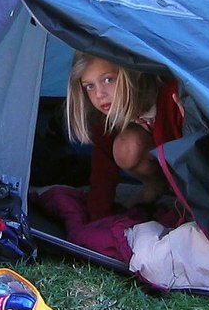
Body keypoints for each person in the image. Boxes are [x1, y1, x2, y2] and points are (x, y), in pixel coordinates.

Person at [65, 52, 184, 220]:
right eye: (89, 86)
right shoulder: (106, 115)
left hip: (193, 171)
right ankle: (156, 185)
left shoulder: (173, 95)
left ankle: (179, 193)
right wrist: (97, 219)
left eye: (108, 80)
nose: (99, 94)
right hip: (163, 162)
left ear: (134, 72)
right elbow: (103, 171)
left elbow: (199, 161)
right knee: (126, 147)